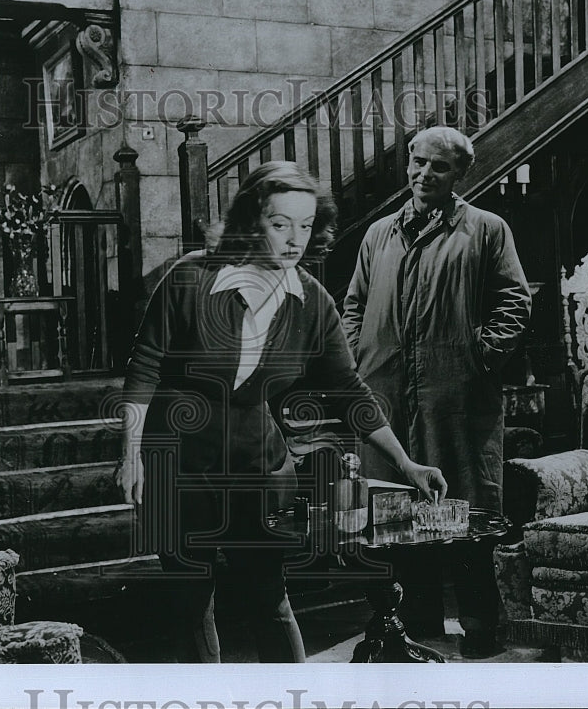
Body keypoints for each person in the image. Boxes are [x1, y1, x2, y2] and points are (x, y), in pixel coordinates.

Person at [115, 160, 448, 663]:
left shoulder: (312, 302)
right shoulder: (189, 279)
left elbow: (349, 391)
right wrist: (132, 455)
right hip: (178, 462)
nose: (295, 239)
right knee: (191, 600)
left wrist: (406, 464)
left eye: (306, 225)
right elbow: (144, 369)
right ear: (251, 221)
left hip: (259, 466)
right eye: (280, 223)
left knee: (269, 600)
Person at [341, 126, 531, 658]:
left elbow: (514, 303)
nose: (424, 175)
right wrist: (360, 356)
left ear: (459, 174)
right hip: (386, 394)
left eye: (439, 167)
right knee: (397, 514)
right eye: (417, 163)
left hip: (455, 397)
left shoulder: (486, 230)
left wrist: (478, 357)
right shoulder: (379, 233)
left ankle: (479, 628)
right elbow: (352, 302)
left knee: (462, 514)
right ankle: (413, 624)